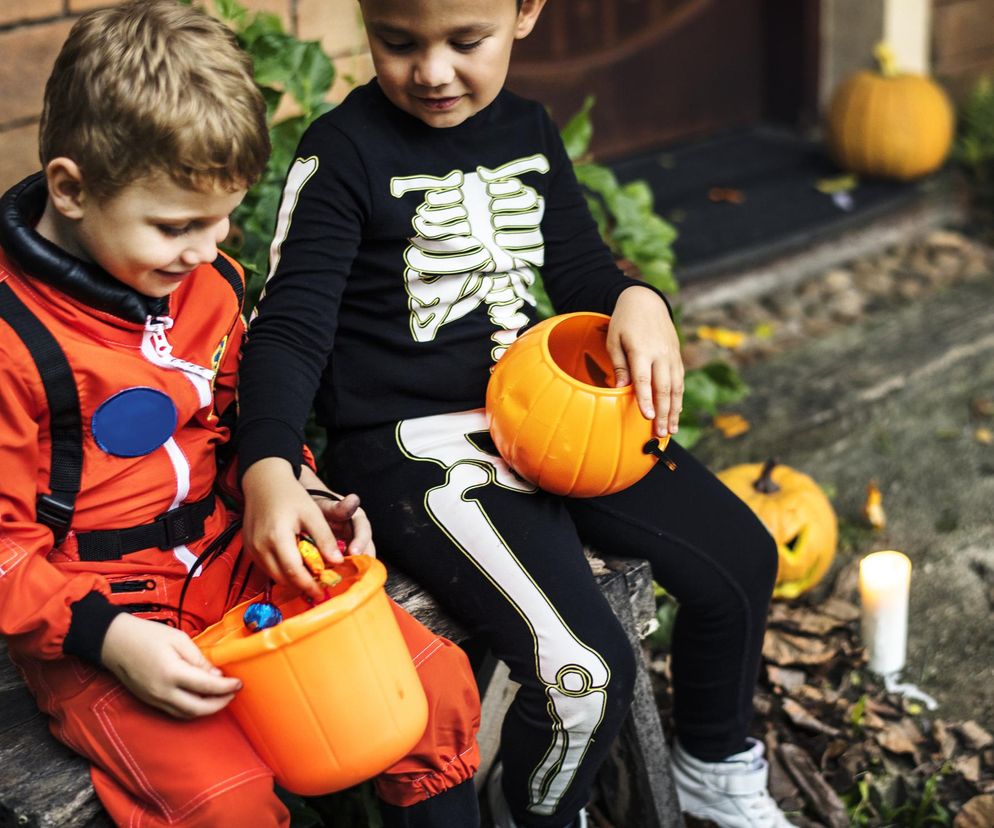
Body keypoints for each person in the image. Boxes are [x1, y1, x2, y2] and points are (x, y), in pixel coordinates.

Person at [237, 1, 793, 826]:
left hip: (549, 415)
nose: (431, 71)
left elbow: (578, 270)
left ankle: (713, 764)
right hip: (414, 449)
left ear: (527, 11)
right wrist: (269, 465)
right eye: (398, 43)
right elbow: (291, 324)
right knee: (584, 673)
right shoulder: (344, 150)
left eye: (466, 42)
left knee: (740, 558)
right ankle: (533, 812)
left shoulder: (529, 131)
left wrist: (637, 297)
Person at [0, 2, 482, 826]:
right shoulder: (14, 346)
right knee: (225, 803)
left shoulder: (205, 283)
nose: (209, 245)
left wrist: (294, 485)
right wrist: (112, 641)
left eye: (224, 216)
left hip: (233, 558)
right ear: (71, 189)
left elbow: (236, 417)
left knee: (431, 694)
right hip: (97, 613)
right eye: (177, 226)